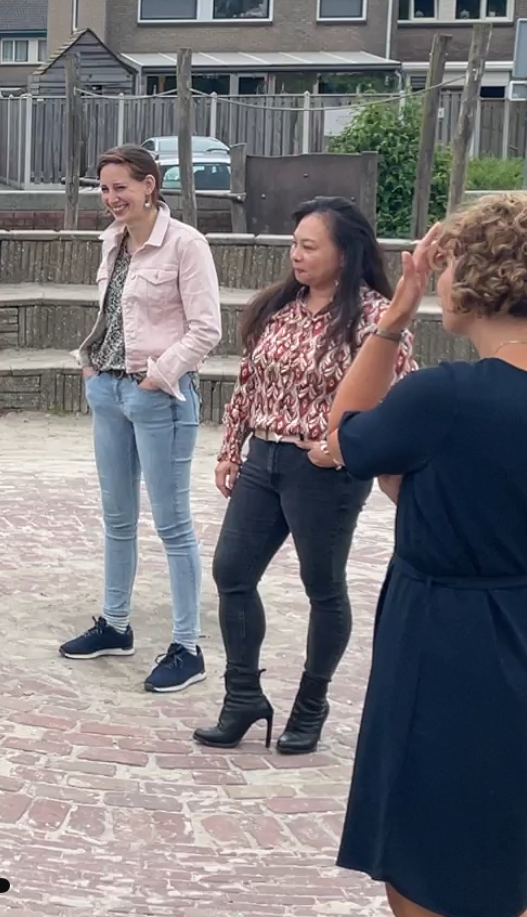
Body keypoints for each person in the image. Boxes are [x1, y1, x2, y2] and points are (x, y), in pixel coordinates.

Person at [325, 194, 527, 917]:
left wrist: (395, 315)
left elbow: (345, 432)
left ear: (481, 275)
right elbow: (516, 514)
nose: (439, 276)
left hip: (451, 644)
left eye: (446, 263)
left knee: (427, 872)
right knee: (491, 863)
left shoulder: (446, 393)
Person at [194, 197, 415, 752]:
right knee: (231, 572)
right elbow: (250, 381)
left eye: (309, 246)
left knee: (323, 586)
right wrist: (230, 448)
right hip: (263, 460)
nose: (296, 254)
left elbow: (397, 399)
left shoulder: (376, 319)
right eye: (294, 244)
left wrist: (341, 448)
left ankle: (311, 704)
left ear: (346, 254)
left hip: (322, 470)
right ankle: (243, 695)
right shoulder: (280, 306)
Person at [60, 144, 221, 694]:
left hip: (159, 397)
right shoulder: (113, 240)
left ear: (150, 185)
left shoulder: (186, 244)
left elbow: (206, 328)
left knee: (173, 523)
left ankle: (187, 645)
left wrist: (159, 375)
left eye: (120, 187)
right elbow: (109, 313)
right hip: (107, 390)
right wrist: (89, 366)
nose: (110, 199)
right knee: (116, 516)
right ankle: (115, 624)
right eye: (103, 189)